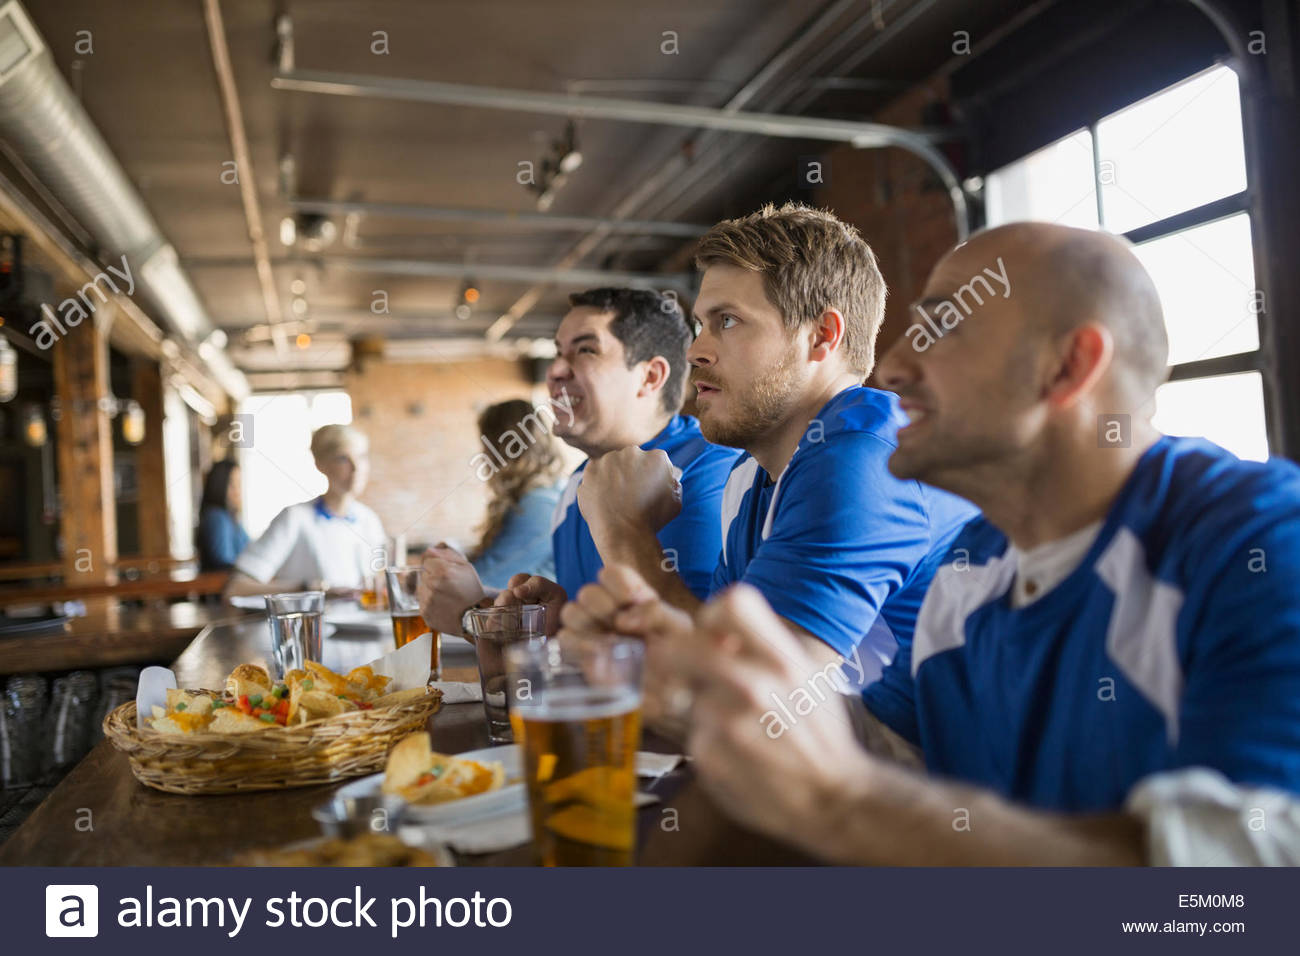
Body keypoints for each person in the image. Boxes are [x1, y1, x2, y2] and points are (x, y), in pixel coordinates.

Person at [572, 222, 1300, 865]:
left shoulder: (1262, 541)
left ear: (1069, 367)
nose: (890, 370)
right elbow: (923, 803)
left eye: (945, 327)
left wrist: (839, 800)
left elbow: (1232, 908)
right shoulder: (973, 573)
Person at [561, 203, 976, 698]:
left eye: (728, 321)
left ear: (821, 336)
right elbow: (713, 650)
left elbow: (755, 700)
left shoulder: (864, 458)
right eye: (701, 325)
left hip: (929, 772)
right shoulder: (750, 474)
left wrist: (625, 533)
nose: (696, 351)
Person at [417, 288, 740, 635]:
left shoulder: (716, 472)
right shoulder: (575, 484)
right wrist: (549, 620)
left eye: (586, 350)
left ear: (650, 377)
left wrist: (473, 615)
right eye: (558, 352)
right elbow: (590, 643)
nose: (555, 371)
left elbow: (698, 654)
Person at [224, 424, 387, 599]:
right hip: (310, 624)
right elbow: (235, 588)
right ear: (320, 465)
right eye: (343, 458)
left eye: (361, 457)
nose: (357, 468)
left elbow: (379, 580)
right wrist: (308, 588)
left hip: (363, 625)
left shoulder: (369, 520)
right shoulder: (295, 518)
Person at [466, 399, 565, 590]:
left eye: (485, 443)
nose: (483, 453)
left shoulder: (537, 506)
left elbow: (480, 582)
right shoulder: (543, 496)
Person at [195, 459, 249, 572]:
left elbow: (249, 547)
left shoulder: (231, 517)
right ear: (219, 485)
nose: (237, 491)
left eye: (239, 484)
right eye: (231, 485)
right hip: (223, 584)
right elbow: (223, 562)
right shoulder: (217, 517)